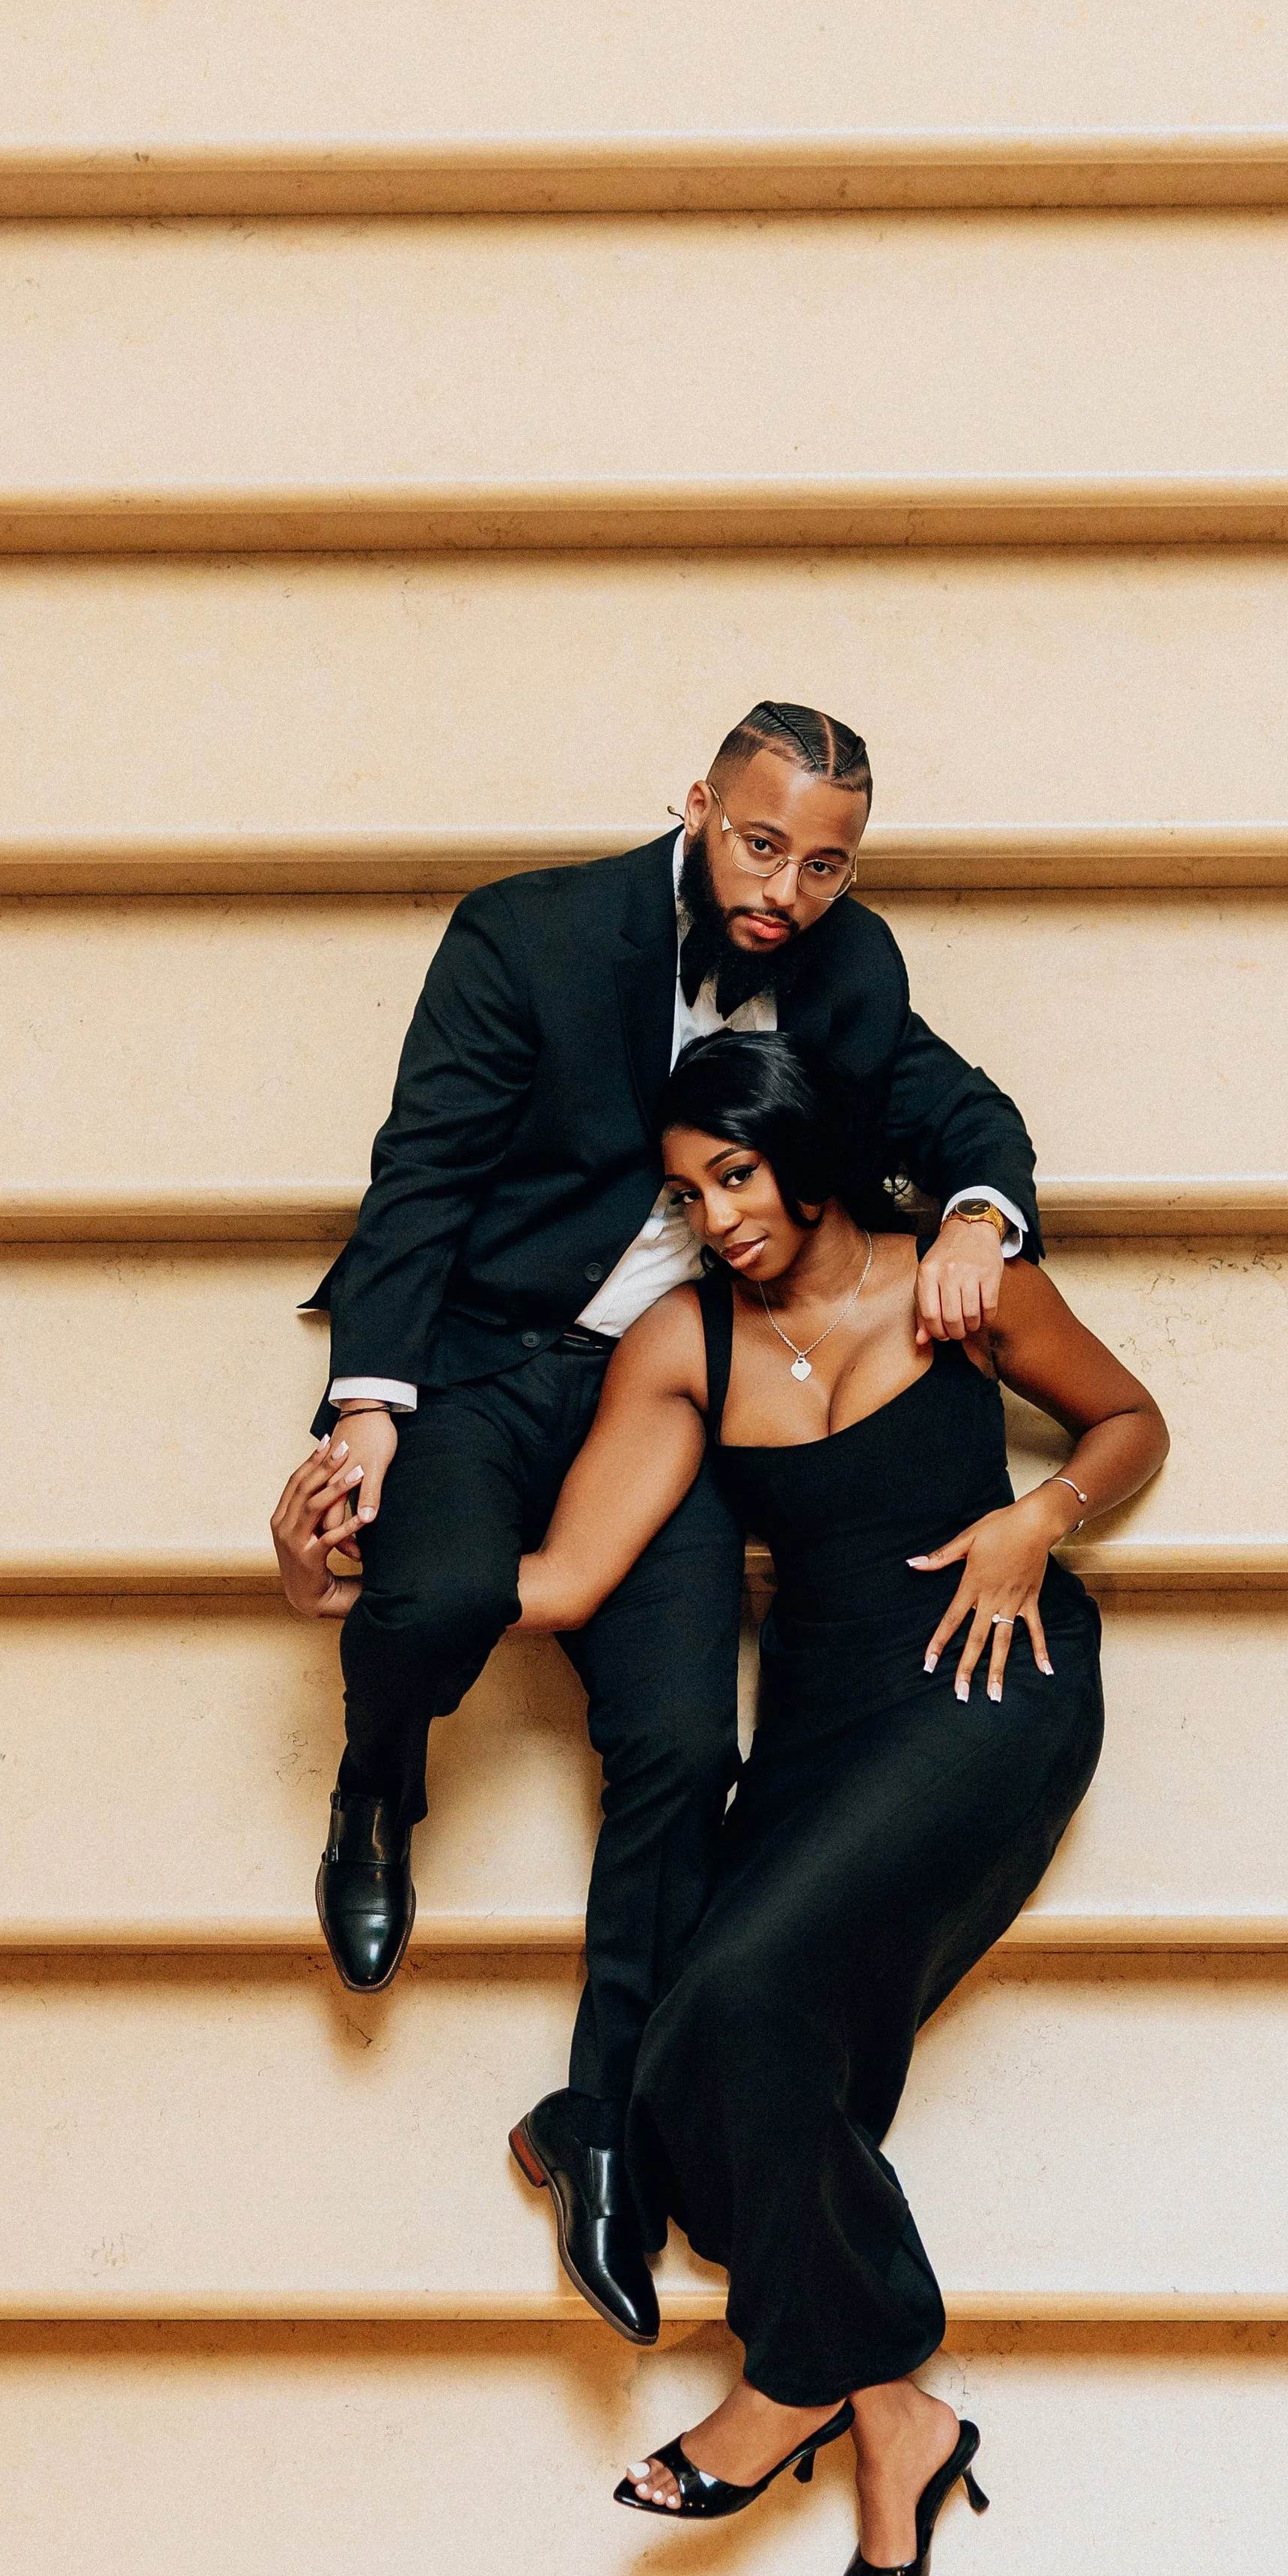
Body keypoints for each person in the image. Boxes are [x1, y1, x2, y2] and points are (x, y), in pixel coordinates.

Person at [272, 701, 1045, 2351]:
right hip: (485, 1360)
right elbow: (416, 1180)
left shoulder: (847, 968)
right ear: (697, 803)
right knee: (435, 1602)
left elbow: (955, 1112)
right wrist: (366, 1406)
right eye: (762, 844)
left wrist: (978, 1214)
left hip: (667, 1391)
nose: (787, 887)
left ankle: (604, 2127)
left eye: (825, 861)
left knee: (687, 1752)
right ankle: (370, 1784)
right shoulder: (532, 934)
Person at [510, 1033, 1168, 2576]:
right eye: (684, 1191)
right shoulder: (680, 1345)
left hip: (982, 1685)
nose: (715, 1215)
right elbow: (565, 1581)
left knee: (729, 2017)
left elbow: (1128, 1421)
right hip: (812, 1731)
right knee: (701, 2051)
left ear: (800, 1160)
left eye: (733, 1175)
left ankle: (796, 2376)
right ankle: (897, 2416)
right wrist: (346, 1590)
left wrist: (1036, 1518)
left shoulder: (958, 1283)